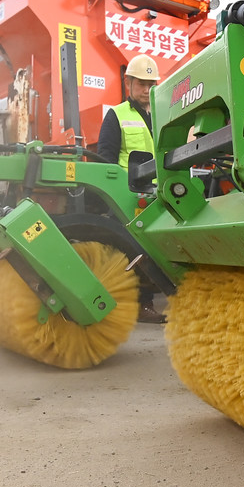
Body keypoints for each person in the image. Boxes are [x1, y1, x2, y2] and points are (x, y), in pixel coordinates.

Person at [98, 54, 166, 323]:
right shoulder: (116, 116)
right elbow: (106, 159)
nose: (147, 90)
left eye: (151, 84)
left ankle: (147, 300)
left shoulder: (163, 115)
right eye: (141, 84)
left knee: (154, 252)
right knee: (130, 251)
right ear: (129, 83)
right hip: (127, 198)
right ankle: (139, 304)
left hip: (158, 195)